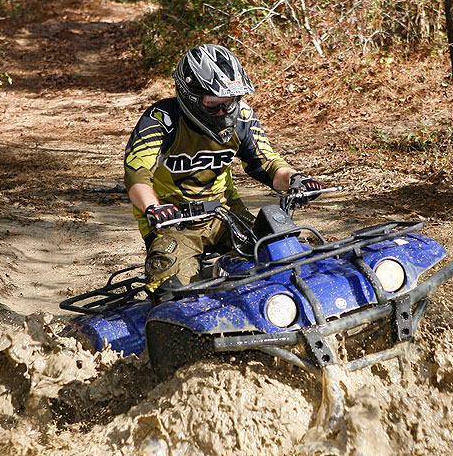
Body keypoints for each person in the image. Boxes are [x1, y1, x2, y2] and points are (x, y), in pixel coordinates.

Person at [123, 44, 323, 299]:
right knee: (173, 291)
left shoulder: (242, 116)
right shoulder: (162, 119)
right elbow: (136, 174)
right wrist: (153, 208)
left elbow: (267, 163)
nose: (223, 112)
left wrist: (296, 180)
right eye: (214, 104)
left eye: (229, 102)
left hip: (225, 214)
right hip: (173, 224)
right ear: (190, 96)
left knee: (284, 254)